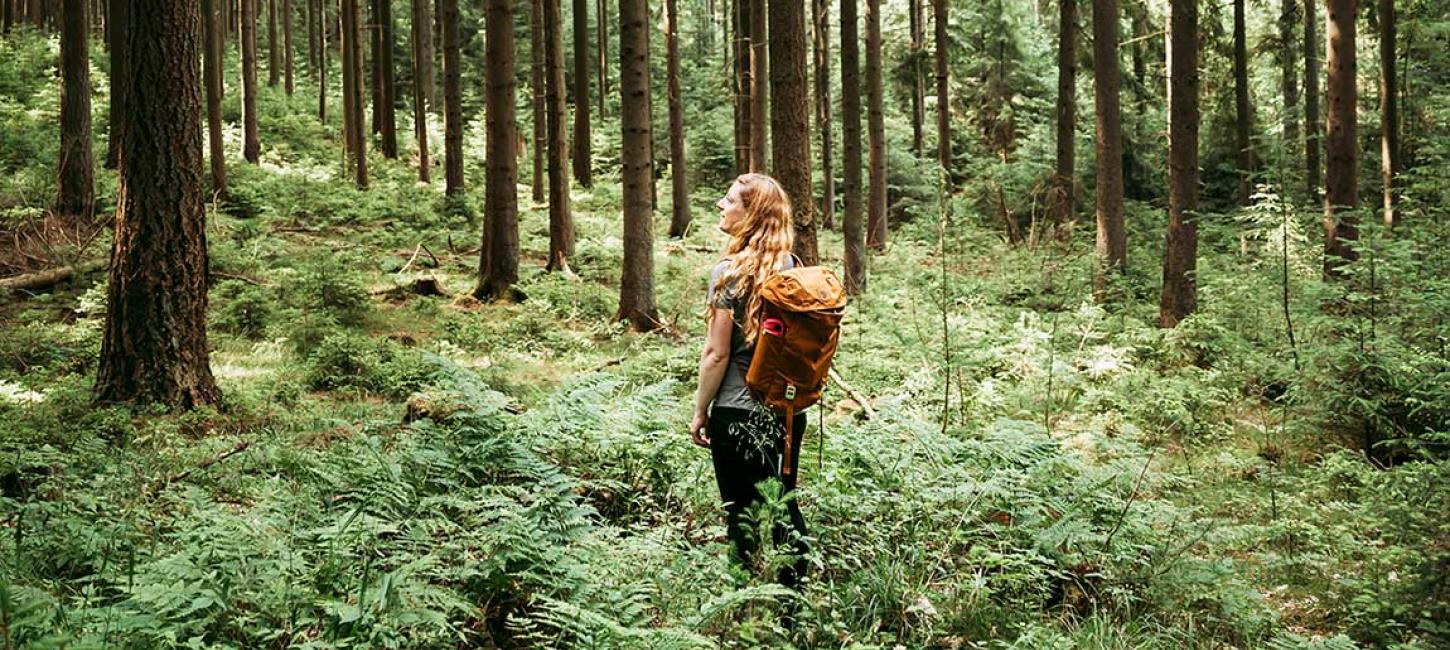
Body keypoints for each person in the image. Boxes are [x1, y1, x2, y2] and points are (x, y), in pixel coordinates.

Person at [688, 173, 810, 589]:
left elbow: (717, 353)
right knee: (781, 503)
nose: (721, 207)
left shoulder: (727, 272)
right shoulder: (792, 268)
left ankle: (745, 606)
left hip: (736, 412)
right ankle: (792, 600)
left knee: (741, 512)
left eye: (729, 201)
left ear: (751, 213)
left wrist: (700, 410)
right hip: (786, 410)